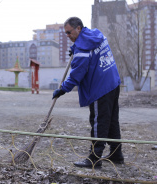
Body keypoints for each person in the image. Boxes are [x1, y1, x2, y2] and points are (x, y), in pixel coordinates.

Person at [52, 17, 124, 168]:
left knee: (98, 122)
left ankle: (94, 159)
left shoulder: (82, 49)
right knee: (111, 120)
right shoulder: (95, 35)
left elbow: (77, 74)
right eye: (65, 34)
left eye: (69, 32)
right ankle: (116, 155)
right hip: (113, 81)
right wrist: (75, 47)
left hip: (100, 88)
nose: (67, 36)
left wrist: (62, 89)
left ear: (78, 28)